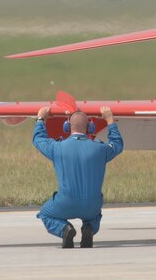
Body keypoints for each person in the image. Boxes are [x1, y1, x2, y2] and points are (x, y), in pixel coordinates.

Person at [33, 105, 124, 248]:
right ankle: (89, 228)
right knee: (94, 215)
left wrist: (40, 119)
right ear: (90, 128)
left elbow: (38, 140)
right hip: (91, 206)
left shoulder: (56, 147)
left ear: (67, 126)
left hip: (65, 204)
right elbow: (117, 144)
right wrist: (110, 120)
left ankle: (65, 230)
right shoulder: (101, 149)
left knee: (45, 214)